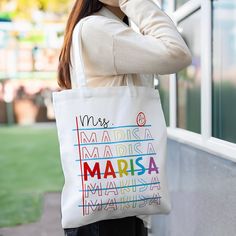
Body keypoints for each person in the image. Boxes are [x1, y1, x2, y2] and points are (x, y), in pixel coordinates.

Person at [58, 0, 192, 235]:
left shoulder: (111, 29)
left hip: (113, 210)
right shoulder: (98, 29)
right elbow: (177, 53)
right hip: (107, 218)